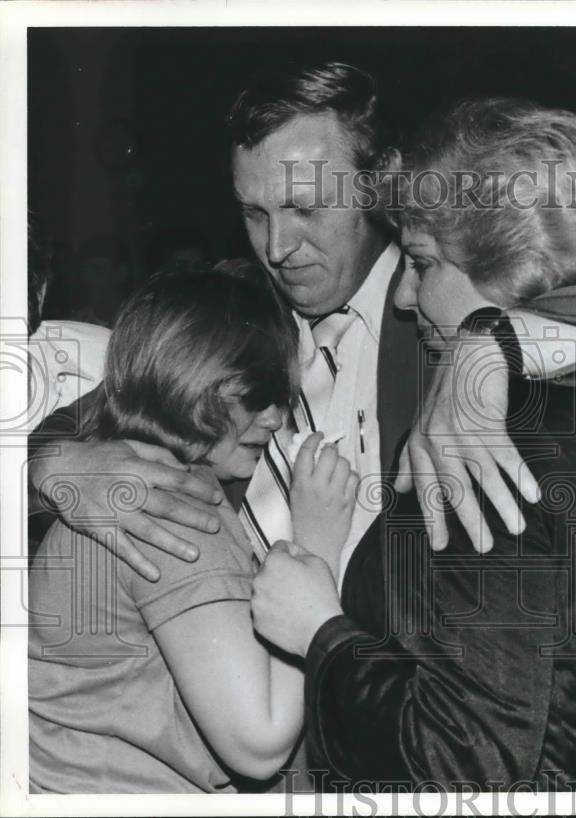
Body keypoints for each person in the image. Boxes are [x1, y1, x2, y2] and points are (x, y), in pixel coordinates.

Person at [28, 60, 576, 587]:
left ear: (377, 189)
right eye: (255, 213)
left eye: (306, 208)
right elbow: (74, 425)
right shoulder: (235, 314)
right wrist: (59, 467)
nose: (278, 248)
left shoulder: (444, 306)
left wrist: (486, 347)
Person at [251, 98, 576, 789]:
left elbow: (459, 767)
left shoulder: (479, 446)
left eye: (422, 263)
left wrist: (320, 631)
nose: (407, 297)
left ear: (506, 263)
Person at [29, 270, 354, 792]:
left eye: (280, 395)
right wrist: (316, 543)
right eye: (255, 391)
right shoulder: (171, 506)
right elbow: (259, 742)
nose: (274, 417)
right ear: (188, 380)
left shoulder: (122, 475)